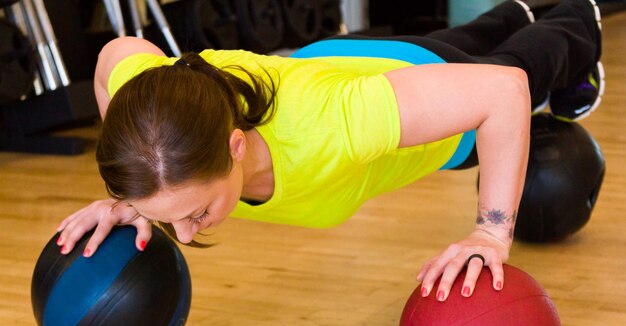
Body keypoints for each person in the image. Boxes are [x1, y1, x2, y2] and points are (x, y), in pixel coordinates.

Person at [55, 0, 603, 302]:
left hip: (402, 92)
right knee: (473, 37)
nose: (189, 233)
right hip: (332, 62)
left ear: (236, 146)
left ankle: (578, 19)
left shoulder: (336, 125)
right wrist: (136, 195)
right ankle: (515, 11)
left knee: (520, 67)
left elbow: (503, 93)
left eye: (196, 213)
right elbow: (118, 53)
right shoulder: (157, 112)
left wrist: (491, 231)